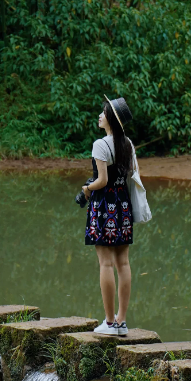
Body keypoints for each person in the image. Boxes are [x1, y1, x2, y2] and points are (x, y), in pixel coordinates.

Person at [82, 95, 136, 336]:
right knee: (123, 263)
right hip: (123, 206)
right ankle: (122, 322)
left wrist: (86, 188)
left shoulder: (100, 145)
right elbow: (132, 173)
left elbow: (102, 180)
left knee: (105, 263)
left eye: (103, 113)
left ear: (111, 119)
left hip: (104, 206)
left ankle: (109, 322)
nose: (100, 116)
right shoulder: (128, 144)